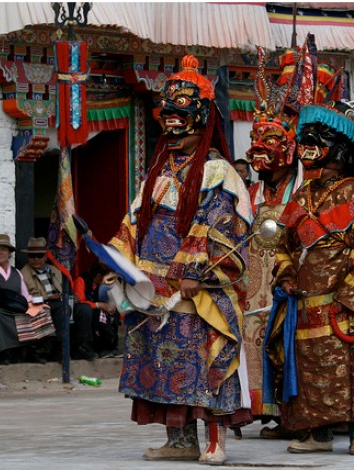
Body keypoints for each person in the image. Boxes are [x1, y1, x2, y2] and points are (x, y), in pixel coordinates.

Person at [108, 55, 252, 464]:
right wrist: (119, 262)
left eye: (180, 115)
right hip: (153, 288)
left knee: (202, 360)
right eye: (166, 115)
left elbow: (218, 225)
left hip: (195, 287)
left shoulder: (218, 172)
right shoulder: (158, 170)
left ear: (201, 118)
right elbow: (134, 221)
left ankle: (213, 440)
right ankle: (179, 440)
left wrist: (192, 272)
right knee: (162, 361)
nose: (170, 122)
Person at [265, 102, 354, 456]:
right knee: (307, 370)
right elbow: (283, 246)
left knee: (352, 368)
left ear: (340, 149)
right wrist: (286, 274)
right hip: (303, 301)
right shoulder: (300, 196)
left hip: (343, 303)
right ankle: (317, 433)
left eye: (319, 139)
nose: (308, 146)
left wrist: (348, 296)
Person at [241, 46, 305, 440]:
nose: (261, 147)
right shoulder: (248, 193)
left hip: (288, 285)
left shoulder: (303, 194)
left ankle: (293, 413)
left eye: (271, 139)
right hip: (251, 290)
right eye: (256, 138)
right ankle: (261, 409)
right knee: (253, 344)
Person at [0, 233, 49, 365]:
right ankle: (2, 353)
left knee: (42, 312)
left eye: (3, 249)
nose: (0, 252)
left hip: (15, 309)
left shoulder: (16, 272)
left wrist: (40, 304)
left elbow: (26, 296)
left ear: (9, 253)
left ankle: (31, 350)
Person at [20, 236, 65, 361]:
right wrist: (48, 297)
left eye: (39, 255)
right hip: (38, 304)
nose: (36, 259)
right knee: (60, 309)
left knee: (83, 309)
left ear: (45, 256)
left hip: (59, 302)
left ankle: (79, 347)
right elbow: (26, 296)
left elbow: (63, 289)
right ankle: (57, 348)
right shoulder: (23, 273)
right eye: (32, 256)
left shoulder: (55, 270)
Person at [73, 262, 118, 358]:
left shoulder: (102, 286)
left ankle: (111, 345)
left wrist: (110, 307)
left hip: (99, 309)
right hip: (84, 312)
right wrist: (97, 305)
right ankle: (101, 347)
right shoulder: (81, 280)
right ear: (98, 276)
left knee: (114, 313)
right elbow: (79, 302)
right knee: (98, 314)